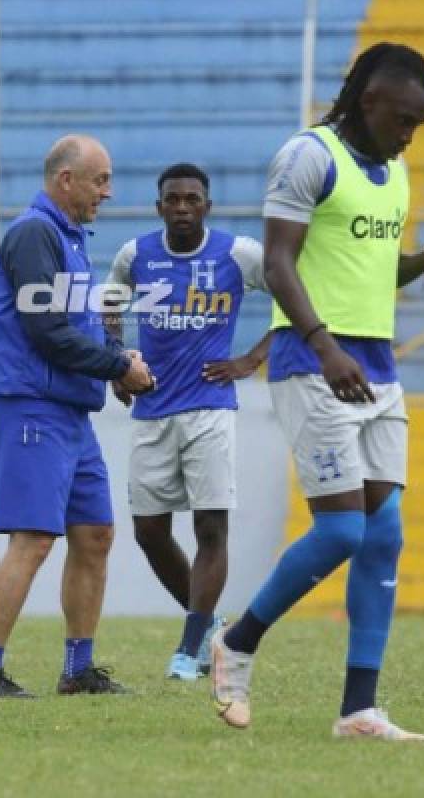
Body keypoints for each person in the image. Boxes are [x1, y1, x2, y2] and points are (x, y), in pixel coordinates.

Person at [207, 42, 424, 739]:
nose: (411, 131)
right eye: (404, 117)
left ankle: (359, 709)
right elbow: (280, 262)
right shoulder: (307, 156)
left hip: (376, 364)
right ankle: (235, 644)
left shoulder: (395, 171)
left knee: (384, 535)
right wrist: (324, 346)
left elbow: (374, 273)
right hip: (312, 358)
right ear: (368, 101)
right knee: (344, 527)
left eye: (422, 119)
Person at [0, 134, 156, 698]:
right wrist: (118, 365)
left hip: (69, 411)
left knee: (94, 534)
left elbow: (75, 326)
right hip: (32, 406)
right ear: (65, 180)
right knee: (33, 539)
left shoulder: (67, 238)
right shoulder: (33, 234)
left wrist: (118, 359)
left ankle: (78, 670)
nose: (108, 192)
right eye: (100, 179)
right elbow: (46, 333)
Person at [104, 163, 272, 681]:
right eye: (172, 199)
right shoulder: (136, 255)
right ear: (159, 208)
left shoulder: (238, 254)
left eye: (191, 199)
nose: (182, 207)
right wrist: (115, 361)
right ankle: (210, 631)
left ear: (207, 206)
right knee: (149, 532)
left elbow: (300, 296)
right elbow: (109, 303)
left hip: (210, 409)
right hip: (152, 410)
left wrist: (251, 359)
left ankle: (189, 648)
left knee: (209, 527)